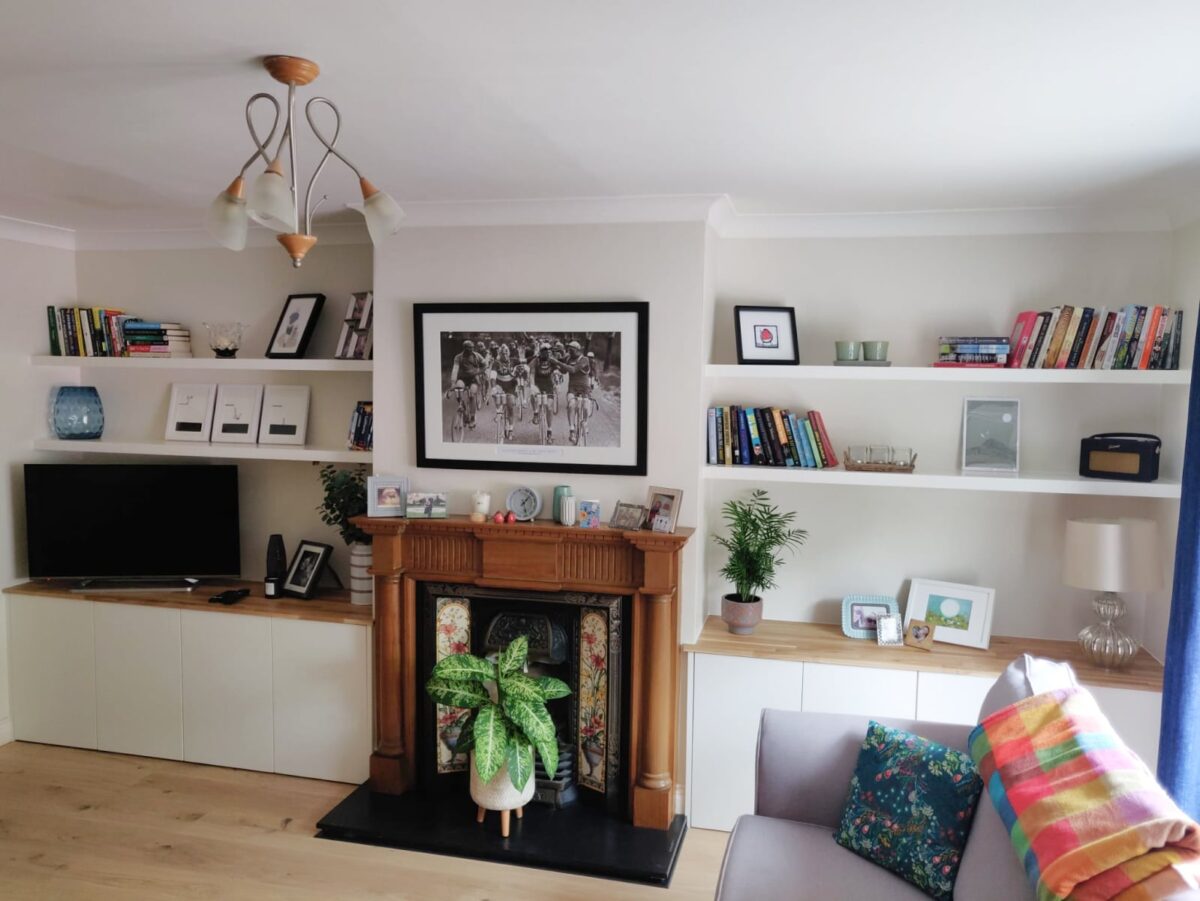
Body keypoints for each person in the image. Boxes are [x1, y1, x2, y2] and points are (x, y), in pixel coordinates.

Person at [553, 340, 593, 443]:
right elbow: (564, 370)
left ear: (578, 350)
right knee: (571, 405)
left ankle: (585, 423)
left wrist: (558, 362)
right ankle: (571, 429)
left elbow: (573, 370)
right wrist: (556, 369)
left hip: (585, 387)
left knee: (586, 405)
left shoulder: (585, 359)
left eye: (572, 349)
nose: (570, 351)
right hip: (572, 387)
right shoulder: (568, 358)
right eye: (569, 349)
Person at [448, 339, 486, 427]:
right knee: (458, 389)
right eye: (469, 348)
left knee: (472, 395)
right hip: (462, 379)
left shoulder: (477, 356)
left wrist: (479, 371)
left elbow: (485, 364)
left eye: (472, 348)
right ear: (464, 348)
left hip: (474, 379)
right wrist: (453, 382)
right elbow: (455, 369)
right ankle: (463, 408)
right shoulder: (458, 357)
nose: (471, 349)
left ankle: (472, 417)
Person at [530, 342, 558, 441]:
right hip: (538, 384)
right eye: (544, 351)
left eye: (549, 351)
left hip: (548, 385)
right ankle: (536, 413)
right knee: (532, 394)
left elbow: (556, 371)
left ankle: (549, 431)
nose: (547, 353)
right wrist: (532, 385)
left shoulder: (552, 360)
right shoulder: (536, 361)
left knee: (549, 407)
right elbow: (532, 374)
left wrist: (556, 377)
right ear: (541, 351)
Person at [492, 344, 520, 440]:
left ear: (509, 353)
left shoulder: (514, 361)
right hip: (500, 384)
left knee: (510, 406)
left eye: (506, 352)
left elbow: (523, 368)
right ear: (500, 354)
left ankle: (511, 429)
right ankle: (498, 411)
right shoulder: (496, 363)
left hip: (511, 386)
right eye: (502, 353)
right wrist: (493, 387)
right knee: (495, 393)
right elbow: (493, 376)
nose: (505, 355)